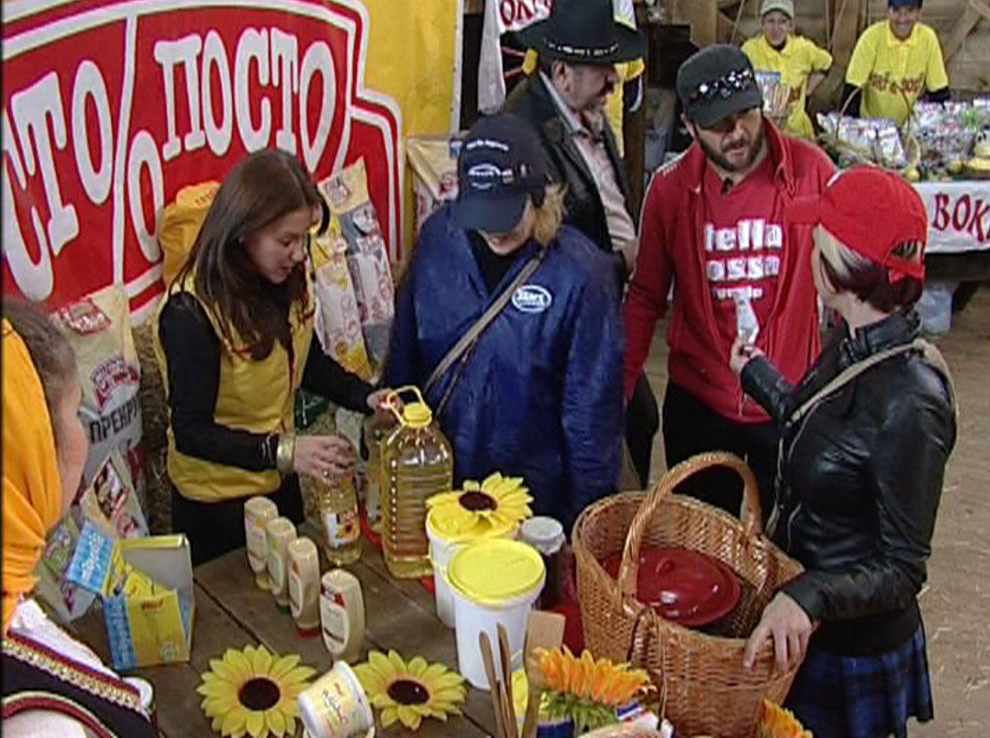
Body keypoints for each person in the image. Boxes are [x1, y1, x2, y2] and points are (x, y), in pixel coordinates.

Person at [735, 165, 957, 738]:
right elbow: (821, 428)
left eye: (819, 237)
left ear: (841, 264)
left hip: (851, 645)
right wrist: (755, 374)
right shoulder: (851, 342)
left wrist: (808, 595)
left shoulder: (912, 399)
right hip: (811, 621)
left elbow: (903, 569)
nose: (809, 246)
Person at [382, 113, 623, 533]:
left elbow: (590, 421)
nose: (493, 230)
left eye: (506, 214)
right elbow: (405, 351)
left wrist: (585, 527)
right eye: (481, 213)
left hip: (532, 504)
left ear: (540, 197)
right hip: (440, 485)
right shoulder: (440, 238)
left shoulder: (582, 276)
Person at [623, 44, 835, 518]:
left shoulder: (812, 172)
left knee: (789, 544)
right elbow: (645, 297)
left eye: (746, 114)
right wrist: (620, 387)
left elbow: (851, 273)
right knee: (701, 547)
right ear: (690, 127)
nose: (738, 133)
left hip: (789, 400)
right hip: (700, 403)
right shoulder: (669, 189)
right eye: (720, 124)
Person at [154, 148, 384, 566]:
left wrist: (365, 397)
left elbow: (305, 359)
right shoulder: (191, 312)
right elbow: (191, 431)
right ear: (244, 231)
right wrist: (288, 451)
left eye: (303, 239)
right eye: (286, 241)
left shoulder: (287, 278)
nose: (298, 254)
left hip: (277, 484)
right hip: (217, 508)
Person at [506, 0, 659, 489]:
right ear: (562, 74)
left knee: (639, 418)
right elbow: (536, 255)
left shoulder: (584, 112)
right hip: (567, 323)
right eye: (603, 71)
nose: (614, 80)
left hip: (610, 304)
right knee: (616, 428)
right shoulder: (523, 134)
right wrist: (624, 262)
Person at [2, 300, 157, 737]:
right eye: (74, 416)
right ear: (28, 450)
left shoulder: (13, 595)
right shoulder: (44, 727)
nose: (85, 438)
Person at [520, 0, 645, 158]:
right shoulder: (552, 34)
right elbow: (529, 87)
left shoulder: (621, 33)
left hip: (609, 145)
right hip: (557, 148)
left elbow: (633, 95)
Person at [842, 0, 950, 125]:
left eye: (910, 11)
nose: (902, 18)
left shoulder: (928, 39)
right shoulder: (871, 37)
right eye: (896, 10)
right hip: (870, 126)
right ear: (888, 11)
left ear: (919, 13)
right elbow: (852, 88)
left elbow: (939, 92)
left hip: (909, 129)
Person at [741, 0, 833, 141]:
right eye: (770, 21)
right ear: (762, 24)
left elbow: (826, 63)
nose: (776, 28)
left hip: (797, 133)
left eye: (782, 22)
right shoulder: (750, 50)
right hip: (761, 133)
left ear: (790, 26)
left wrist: (807, 90)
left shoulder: (803, 48)